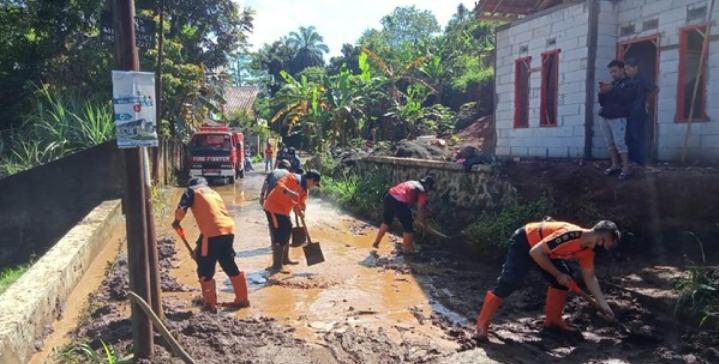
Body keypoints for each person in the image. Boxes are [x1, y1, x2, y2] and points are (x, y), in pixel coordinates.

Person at [474, 220, 621, 340]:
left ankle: (553, 321)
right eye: (607, 245)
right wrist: (557, 274)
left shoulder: (587, 251)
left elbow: (590, 277)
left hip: (546, 253)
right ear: (601, 238)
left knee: (565, 279)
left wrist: (604, 305)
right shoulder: (570, 235)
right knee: (510, 282)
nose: (605, 249)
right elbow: (535, 252)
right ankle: (482, 325)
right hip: (525, 241)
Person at [172, 177, 249, 311]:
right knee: (228, 263)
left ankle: (210, 304)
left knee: (204, 268)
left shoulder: (191, 191)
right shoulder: (213, 193)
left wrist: (176, 221)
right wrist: (198, 246)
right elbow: (213, 219)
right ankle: (242, 299)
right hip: (228, 229)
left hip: (213, 232)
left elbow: (181, 211)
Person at [263, 169, 322, 271]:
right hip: (273, 208)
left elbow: (301, 203)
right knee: (279, 236)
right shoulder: (292, 178)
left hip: (284, 211)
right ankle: (277, 266)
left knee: (288, 230)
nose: (312, 187)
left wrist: (302, 211)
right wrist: (288, 192)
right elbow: (278, 185)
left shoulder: (305, 190)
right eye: (314, 184)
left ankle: (285, 259)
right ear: (311, 180)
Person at [371, 176, 435, 254]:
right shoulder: (422, 191)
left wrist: (415, 217)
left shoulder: (412, 182)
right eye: (429, 189)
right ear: (427, 186)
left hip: (389, 196)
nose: (428, 192)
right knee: (408, 225)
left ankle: (376, 242)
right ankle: (407, 250)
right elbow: (420, 208)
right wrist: (422, 222)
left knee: (386, 221)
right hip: (398, 201)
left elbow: (406, 197)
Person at [599, 60, 637, 180]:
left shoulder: (629, 83)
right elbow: (602, 103)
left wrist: (611, 89)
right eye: (611, 72)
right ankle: (615, 165)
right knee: (609, 143)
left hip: (619, 117)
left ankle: (626, 168)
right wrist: (602, 92)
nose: (612, 74)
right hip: (605, 116)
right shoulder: (612, 84)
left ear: (622, 69)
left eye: (614, 71)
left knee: (620, 142)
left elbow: (626, 98)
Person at [624, 58, 658, 167]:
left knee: (638, 137)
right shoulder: (627, 81)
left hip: (639, 112)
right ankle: (631, 160)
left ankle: (640, 161)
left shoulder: (642, 80)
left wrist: (647, 100)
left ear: (635, 68)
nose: (627, 71)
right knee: (629, 137)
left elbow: (655, 89)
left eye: (629, 69)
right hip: (628, 113)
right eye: (625, 69)